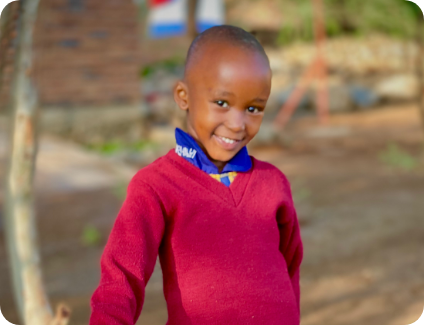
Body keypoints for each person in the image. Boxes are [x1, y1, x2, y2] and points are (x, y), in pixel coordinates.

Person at [89, 25, 303, 325]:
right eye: (222, 103)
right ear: (183, 96)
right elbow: (121, 278)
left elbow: (290, 268)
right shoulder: (157, 187)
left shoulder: (273, 183)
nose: (237, 123)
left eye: (254, 108)